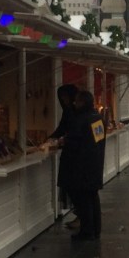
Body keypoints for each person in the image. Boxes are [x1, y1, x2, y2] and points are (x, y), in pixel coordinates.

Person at [61, 90, 106, 240]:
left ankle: (87, 232)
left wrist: (64, 141)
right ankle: (96, 229)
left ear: (83, 102)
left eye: (78, 101)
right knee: (93, 198)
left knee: (83, 201)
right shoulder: (97, 118)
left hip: (81, 167)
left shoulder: (81, 120)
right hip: (95, 165)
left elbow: (74, 142)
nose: (75, 103)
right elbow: (98, 141)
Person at [49, 84, 80, 228]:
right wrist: (51, 138)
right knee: (70, 186)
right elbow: (62, 127)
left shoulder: (78, 112)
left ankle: (81, 217)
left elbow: (76, 132)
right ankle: (80, 216)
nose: (64, 100)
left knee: (75, 186)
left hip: (76, 155)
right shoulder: (68, 111)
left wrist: (63, 139)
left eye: (65, 97)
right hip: (70, 154)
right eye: (62, 98)